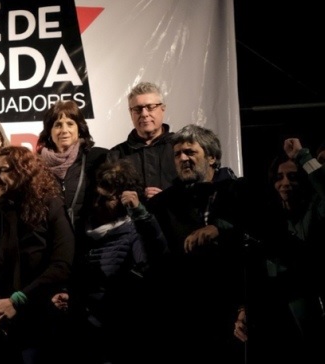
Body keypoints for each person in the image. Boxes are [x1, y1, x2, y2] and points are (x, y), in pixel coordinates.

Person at [143, 124, 245, 364]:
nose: (183, 158)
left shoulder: (237, 191)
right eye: (178, 154)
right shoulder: (162, 203)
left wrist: (220, 228)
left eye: (190, 152)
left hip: (229, 310)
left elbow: (259, 232)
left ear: (212, 157)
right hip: (182, 316)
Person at [0, 146, 75, 364]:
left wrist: (18, 301)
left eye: (3, 171)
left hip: (37, 324)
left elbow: (61, 264)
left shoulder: (51, 207)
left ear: (24, 172)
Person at [68, 159, 167, 364]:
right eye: (95, 195)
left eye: (106, 199)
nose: (97, 203)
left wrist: (140, 213)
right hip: (81, 332)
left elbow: (157, 259)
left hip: (117, 334)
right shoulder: (80, 229)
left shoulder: (134, 231)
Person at [235, 137, 325, 362]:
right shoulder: (267, 217)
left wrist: (302, 156)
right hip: (276, 316)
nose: (285, 183)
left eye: (293, 177)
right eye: (279, 177)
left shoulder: (316, 210)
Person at [36, 99, 108, 230]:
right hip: (51, 242)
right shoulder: (36, 164)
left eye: (70, 124)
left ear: (79, 129)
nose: (64, 130)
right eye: (58, 125)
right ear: (49, 131)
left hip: (87, 241)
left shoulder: (98, 158)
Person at [107, 82, 177, 200]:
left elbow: (197, 190)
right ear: (131, 113)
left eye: (150, 107)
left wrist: (168, 198)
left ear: (162, 109)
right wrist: (138, 199)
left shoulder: (181, 147)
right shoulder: (116, 155)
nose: (144, 114)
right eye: (138, 109)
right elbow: (108, 199)